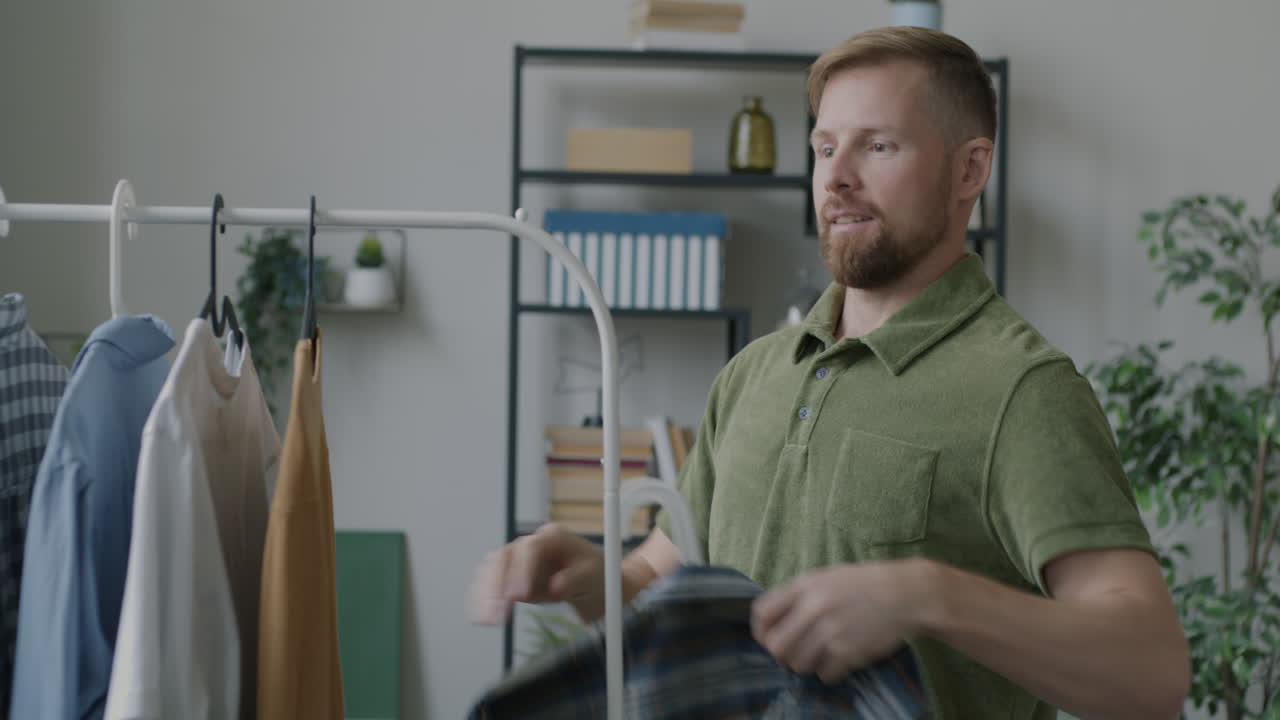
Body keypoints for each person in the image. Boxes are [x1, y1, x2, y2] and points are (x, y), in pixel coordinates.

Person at [470, 26, 1190, 720]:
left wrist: (928, 595)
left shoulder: (1024, 390)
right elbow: (660, 577)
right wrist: (596, 579)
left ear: (970, 168)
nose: (836, 177)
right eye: (823, 147)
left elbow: (1150, 673)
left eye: (878, 145)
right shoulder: (753, 374)